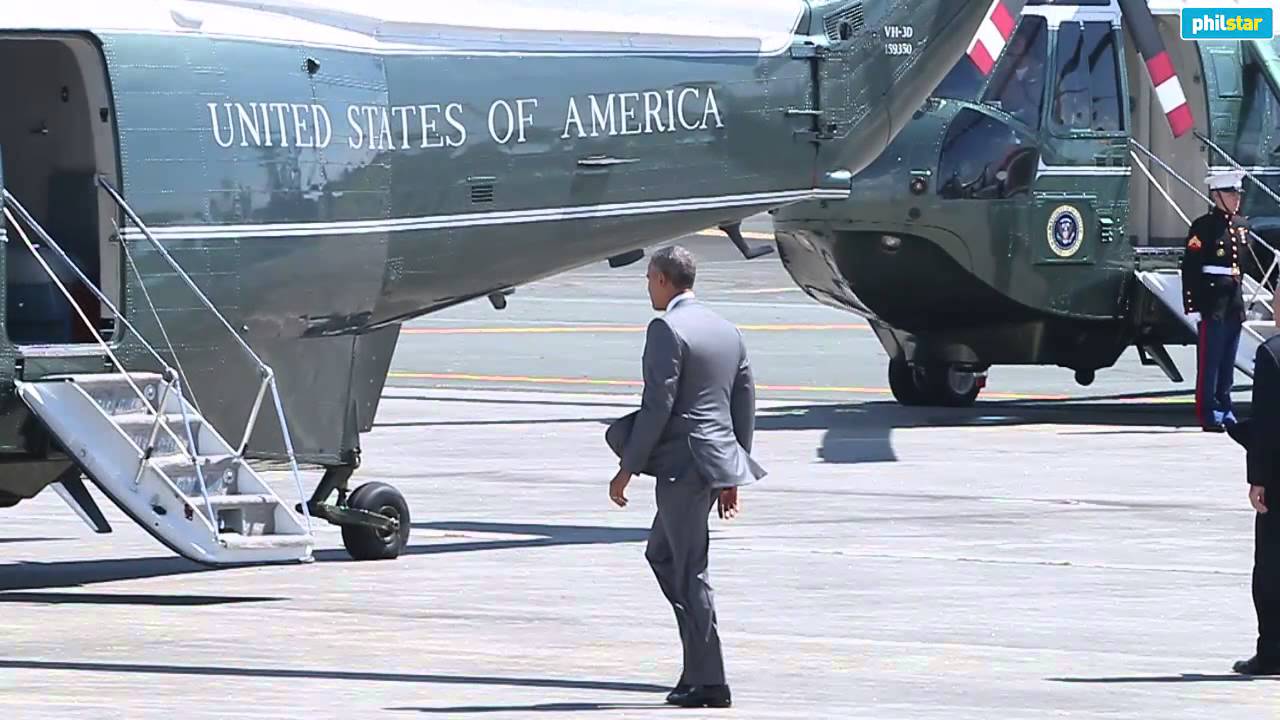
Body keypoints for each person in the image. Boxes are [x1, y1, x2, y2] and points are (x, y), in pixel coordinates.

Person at [604, 245, 765, 709]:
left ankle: (710, 680)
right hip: (711, 462)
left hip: (681, 466)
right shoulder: (726, 329)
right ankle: (696, 667)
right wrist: (733, 470)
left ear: (661, 279)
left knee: (689, 566)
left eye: (648, 278)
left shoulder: (666, 329)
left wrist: (627, 468)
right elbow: (743, 403)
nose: (647, 286)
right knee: (663, 555)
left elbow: (659, 406)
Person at [1226, 291, 1280, 675]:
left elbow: (1266, 424)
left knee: (1272, 568)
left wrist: (1257, 478)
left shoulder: (1272, 353)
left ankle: (1274, 650)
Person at [1182, 169, 1249, 432]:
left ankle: (1225, 406)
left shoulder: (1242, 226)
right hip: (1213, 303)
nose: (1236, 199)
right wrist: (1192, 304)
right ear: (1216, 195)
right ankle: (1209, 411)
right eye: (1230, 193)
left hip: (1233, 302)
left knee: (1227, 361)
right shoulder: (1203, 227)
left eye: (1237, 193)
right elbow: (1190, 267)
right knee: (1210, 362)